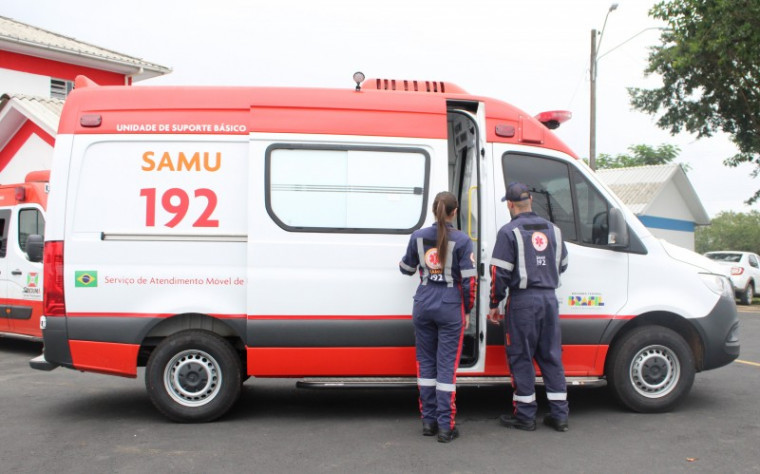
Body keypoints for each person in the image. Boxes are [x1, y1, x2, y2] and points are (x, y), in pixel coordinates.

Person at [487, 182, 570, 432]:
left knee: (521, 357)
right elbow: (562, 264)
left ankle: (525, 416)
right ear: (531, 200)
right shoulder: (554, 230)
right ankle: (560, 416)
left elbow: (499, 273)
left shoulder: (509, 231)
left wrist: (494, 303)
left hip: (523, 302)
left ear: (510, 204)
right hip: (549, 299)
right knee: (551, 357)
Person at [399, 191, 477, 443]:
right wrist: (467, 309)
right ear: (455, 212)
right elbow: (469, 282)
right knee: (446, 368)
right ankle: (445, 426)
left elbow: (406, 268)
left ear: (434, 210)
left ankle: (428, 422)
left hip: (423, 303)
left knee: (425, 364)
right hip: (449, 304)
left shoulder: (418, 237)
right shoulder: (464, 240)